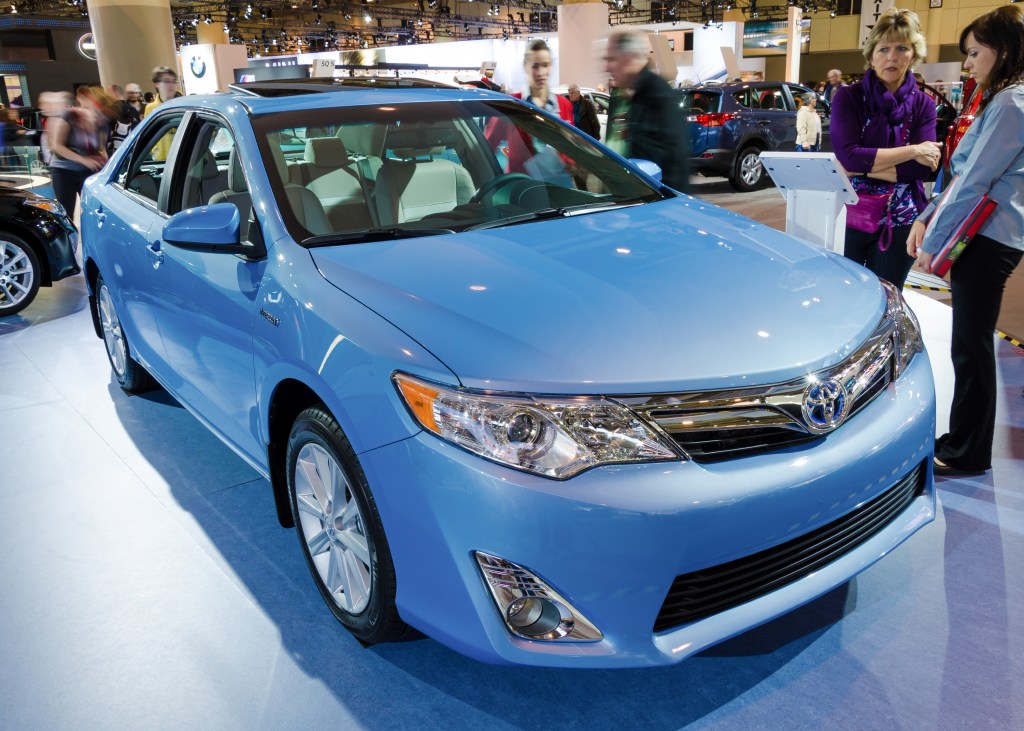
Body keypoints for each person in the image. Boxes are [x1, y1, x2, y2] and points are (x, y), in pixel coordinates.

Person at [907, 5, 1024, 478]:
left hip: (987, 234)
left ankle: (968, 450)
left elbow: (973, 179)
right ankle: (963, 442)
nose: (969, 64)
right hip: (987, 231)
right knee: (970, 343)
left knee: (971, 345)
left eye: (975, 53)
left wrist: (933, 241)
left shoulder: (1012, 103)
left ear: (1004, 50)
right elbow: (964, 178)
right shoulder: (1005, 100)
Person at [831, 8, 941, 289]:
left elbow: (921, 169)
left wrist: (864, 167)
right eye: (883, 49)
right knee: (845, 292)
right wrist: (914, 149)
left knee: (889, 297)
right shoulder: (849, 97)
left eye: (902, 47)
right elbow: (848, 155)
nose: (891, 57)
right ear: (871, 55)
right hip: (850, 214)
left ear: (913, 55)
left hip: (901, 220)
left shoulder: (923, 104)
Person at [603, 29, 690, 192]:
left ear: (629, 58)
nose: (607, 67)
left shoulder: (659, 96)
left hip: (651, 204)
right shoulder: (622, 98)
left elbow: (674, 166)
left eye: (612, 59)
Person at [48, 85, 108, 221]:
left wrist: (103, 154)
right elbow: (57, 146)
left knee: (92, 211)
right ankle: (68, 240)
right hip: (64, 171)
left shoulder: (101, 121)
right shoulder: (69, 116)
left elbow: (100, 146)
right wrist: (83, 160)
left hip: (87, 172)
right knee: (66, 213)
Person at [105, 83, 140, 154]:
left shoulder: (110, 111)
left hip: (116, 152)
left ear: (114, 93)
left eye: (107, 95)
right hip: (134, 148)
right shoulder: (133, 109)